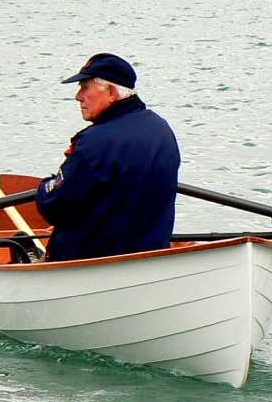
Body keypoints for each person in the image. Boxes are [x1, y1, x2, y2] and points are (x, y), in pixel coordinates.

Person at [35, 53, 181, 262]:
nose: (78, 96)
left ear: (111, 92)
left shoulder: (93, 143)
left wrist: (45, 188)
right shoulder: (162, 130)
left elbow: (55, 206)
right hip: (150, 261)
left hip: (90, 267)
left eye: (85, 88)